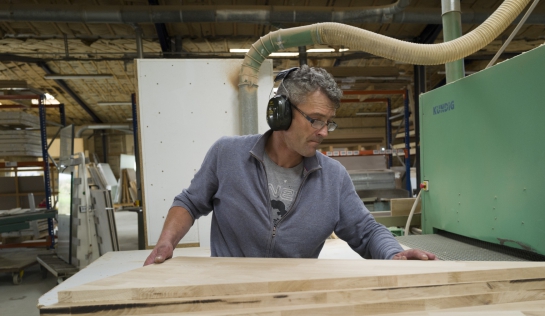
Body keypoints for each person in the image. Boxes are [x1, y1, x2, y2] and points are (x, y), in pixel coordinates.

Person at [144, 65, 436, 266]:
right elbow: (189, 202)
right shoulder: (227, 155)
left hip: (292, 301)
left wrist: (393, 255)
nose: (323, 131)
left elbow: (367, 231)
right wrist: (166, 242)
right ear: (281, 113)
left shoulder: (333, 178)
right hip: (228, 295)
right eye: (315, 120)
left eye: (328, 122)